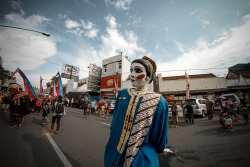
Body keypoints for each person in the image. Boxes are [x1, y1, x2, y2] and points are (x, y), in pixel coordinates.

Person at [104, 56, 168, 167]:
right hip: (113, 152)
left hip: (141, 159)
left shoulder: (159, 101)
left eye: (138, 71)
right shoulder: (122, 94)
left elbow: (159, 138)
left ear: (148, 76)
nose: (132, 75)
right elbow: (115, 123)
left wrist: (144, 153)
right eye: (131, 70)